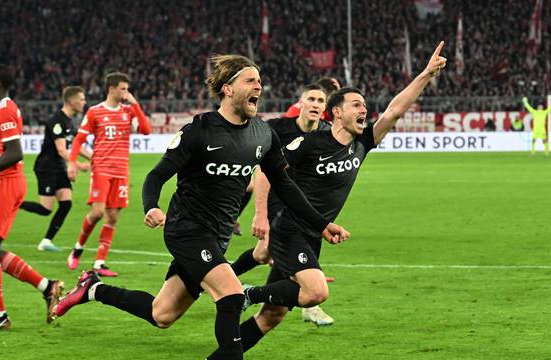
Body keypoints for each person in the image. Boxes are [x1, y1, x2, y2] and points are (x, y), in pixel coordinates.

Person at [52, 54, 348, 360]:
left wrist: (321, 224)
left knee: (162, 314)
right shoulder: (200, 130)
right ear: (227, 88)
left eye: (260, 81)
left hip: (217, 237)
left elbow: (286, 187)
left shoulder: (263, 134)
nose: (258, 86)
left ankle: (92, 288)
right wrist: (150, 206)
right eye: (250, 80)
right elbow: (157, 175)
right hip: (187, 230)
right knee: (232, 296)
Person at [234, 42, 447, 356]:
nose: (364, 110)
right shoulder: (309, 144)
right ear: (336, 112)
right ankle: (244, 294)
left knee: (273, 315)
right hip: (290, 229)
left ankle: (225, 351)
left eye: (364, 106)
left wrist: (426, 75)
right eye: (356, 105)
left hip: (313, 235)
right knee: (315, 292)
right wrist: (261, 215)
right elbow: (268, 171)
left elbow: (396, 110)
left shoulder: (362, 143)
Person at [0, 64, 64, 330]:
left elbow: (15, 153)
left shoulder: (5, 109)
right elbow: (2, 151)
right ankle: (47, 287)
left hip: (1, 183)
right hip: (2, 182)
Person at [230, 83, 335, 326]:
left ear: (325, 108)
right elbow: (260, 166)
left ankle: (226, 281)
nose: (316, 104)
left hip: (304, 206)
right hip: (277, 201)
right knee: (286, 256)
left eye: (321, 101)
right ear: (301, 103)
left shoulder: (328, 132)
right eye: (312, 99)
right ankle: (310, 306)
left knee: (262, 253)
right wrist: (260, 213)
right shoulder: (278, 128)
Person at [66, 72, 152, 277]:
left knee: (112, 216)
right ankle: (78, 248)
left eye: (127, 89)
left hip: (121, 171)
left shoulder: (129, 111)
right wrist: (72, 163)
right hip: (101, 168)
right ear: (111, 89)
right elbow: (79, 139)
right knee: (97, 213)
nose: (126, 92)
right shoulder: (95, 112)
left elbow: (146, 130)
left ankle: (99, 263)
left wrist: (136, 104)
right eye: (123, 89)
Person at [19, 86, 92, 251]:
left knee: (66, 204)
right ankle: (16, 204)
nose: (84, 102)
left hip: (59, 167)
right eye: (81, 99)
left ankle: (46, 241)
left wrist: (94, 158)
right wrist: (78, 165)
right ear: (72, 101)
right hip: (46, 168)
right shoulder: (56, 121)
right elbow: (61, 149)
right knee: (46, 209)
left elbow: (75, 145)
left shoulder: (70, 121)